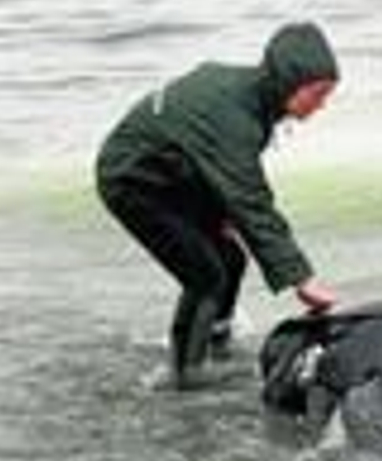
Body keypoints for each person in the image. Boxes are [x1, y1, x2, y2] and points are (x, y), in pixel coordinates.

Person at [96, 21, 341, 389]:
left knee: (231, 256)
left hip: (175, 173)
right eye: (318, 93)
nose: (322, 105)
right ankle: (187, 372)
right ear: (290, 80)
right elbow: (251, 199)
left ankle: (215, 340)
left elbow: (217, 165)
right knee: (205, 273)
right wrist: (301, 279)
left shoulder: (253, 95)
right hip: (132, 180)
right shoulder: (234, 116)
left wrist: (220, 214)